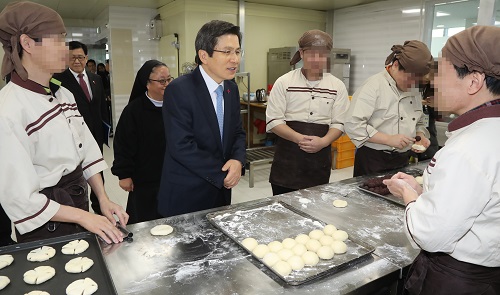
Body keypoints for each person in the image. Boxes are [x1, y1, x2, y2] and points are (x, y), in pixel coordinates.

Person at [383, 26, 500, 294]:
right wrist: (425, 190)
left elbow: (431, 234)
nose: (434, 82)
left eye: (442, 74)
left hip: (456, 280)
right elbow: (482, 201)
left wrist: (409, 194)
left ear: (473, 81)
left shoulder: (468, 149)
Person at [0, 1, 127, 244]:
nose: (65, 50)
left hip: (77, 208)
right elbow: (20, 199)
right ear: (27, 43)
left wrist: (103, 198)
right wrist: (83, 217)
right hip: (45, 225)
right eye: (57, 41)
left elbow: (87, 151)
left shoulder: (63, 95)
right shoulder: (8, 110)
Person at [157, 20, 246, 217]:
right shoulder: (179, 89)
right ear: (204, 55)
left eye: (238, 52)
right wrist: (222, 173)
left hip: (221, 193)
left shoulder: (230, 89)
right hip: (187, 193)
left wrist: (238, 160)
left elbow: (238, 132)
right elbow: (181, 145)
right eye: (227, 52)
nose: (235, 59)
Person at [265, 30, 350, 195]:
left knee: (315, 208)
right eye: (312, 54)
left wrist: (324, 141)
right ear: (302, 53)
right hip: (287, 160)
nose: (317, 60)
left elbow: (339, 123)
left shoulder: (337, 86)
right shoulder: (284, 82)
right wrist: (299, 138)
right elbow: (274, 121)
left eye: (322, 55)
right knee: (283, 208)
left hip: (319, 162)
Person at [344, 40, 433, 177]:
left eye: (416, 81)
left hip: (402, 159)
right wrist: (388, 139)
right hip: (373, 160)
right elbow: (352, 124)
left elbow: (419, 122)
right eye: (409, 79)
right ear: (396, 65)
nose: (412, 85)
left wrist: (420, 135)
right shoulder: (373, 86)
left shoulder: (414, 90)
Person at [53, 41, 110, 215]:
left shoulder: (96, 79)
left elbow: (101, 109)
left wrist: (105, 130)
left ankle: (100, 208)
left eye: (80, 57)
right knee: (78, 178)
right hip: (73, 139)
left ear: (86, 58)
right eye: (72, 58)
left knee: (98, 174)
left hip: (95, 136)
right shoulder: (59, 81)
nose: (77, 61)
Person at [112, 60, 172, 224]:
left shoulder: (175, 105)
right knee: (146, 223)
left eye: (169, 79)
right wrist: (124, 174)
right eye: (161, 81)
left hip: (172, 177)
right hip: (145, 180)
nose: (166, 84)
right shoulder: (134, 110)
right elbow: (123, 144)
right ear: (146, 83)